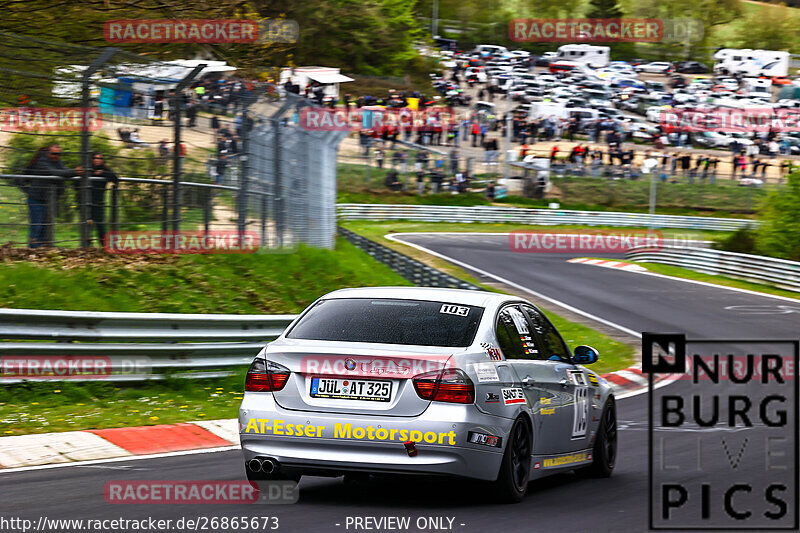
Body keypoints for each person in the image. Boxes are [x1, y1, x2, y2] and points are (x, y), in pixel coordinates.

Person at [21, 144, 76, 248]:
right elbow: (54, 173)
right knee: (37, 225)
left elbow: (63, 170)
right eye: (54, 153)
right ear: (48, 152)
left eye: (58, 154)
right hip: (36, 199)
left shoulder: (57, 162)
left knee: (45, 226)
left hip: (48, 199)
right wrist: (74, 172)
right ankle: (33, 249)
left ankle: (41, 248)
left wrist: (73, 172)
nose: (56, 156)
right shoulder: (42, 162)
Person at [83, 153, 119, 247]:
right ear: (92, 159)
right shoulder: (87, 169)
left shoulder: (105, 169)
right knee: (86, 225)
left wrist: (102, 173)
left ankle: (104, 246)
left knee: (100, 225)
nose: (97, 160)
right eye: (95, 158)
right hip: (86, 201)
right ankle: (86, 246)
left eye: (100, 158)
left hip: (99, 202)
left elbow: (115, 178)